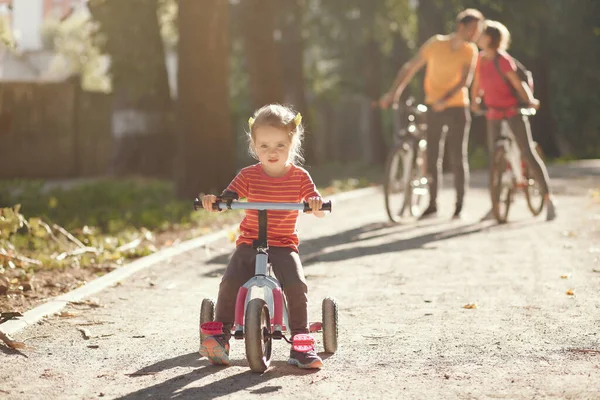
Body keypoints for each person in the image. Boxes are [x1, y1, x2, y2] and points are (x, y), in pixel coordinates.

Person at [199, 104, 326, 369]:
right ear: (254, 146)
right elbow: (228, 198)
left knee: (296, 284)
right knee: (230, 280)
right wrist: (216, 202)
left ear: (292, 144)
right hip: (249, 241)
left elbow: (317, 205)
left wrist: (315, 203)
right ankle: (220, 336)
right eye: (264, 146)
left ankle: (301, 340)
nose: (272, 152)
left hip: (283, 244)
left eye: (280, 145)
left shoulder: (300, 177)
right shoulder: (248, 175)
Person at [380, 9, 484, 219]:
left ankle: (459, 205)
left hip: (457, 107)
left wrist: (444, 100)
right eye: (473, 29)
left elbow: (465, 81)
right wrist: (394, 93)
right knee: (433, 155)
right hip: (433, 107)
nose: (476, 34)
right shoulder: (435, 44)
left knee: (457, 155)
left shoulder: (470, 50)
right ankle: (433, 204)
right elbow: (411, 67)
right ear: (461, 26)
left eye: (478, 30)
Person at [470, 20, 556, 221]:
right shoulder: (480, 60)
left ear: (490, 38)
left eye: (482, 34)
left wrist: (530, 101)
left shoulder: (503, 60)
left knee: (527, 150)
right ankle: (496, 204)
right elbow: (477, 85)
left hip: (512, 111)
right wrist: (475, 102)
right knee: (495, 158)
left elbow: (518, 85)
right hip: (493, 112)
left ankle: (549, 198)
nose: (478, 37)